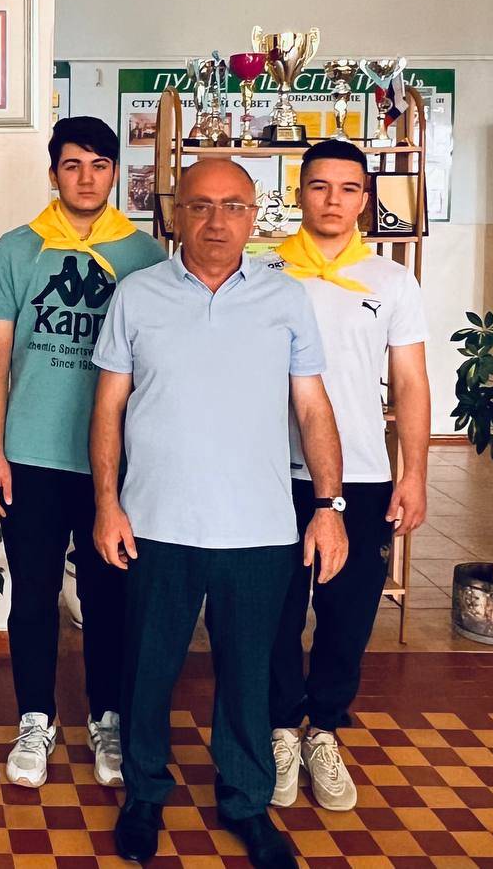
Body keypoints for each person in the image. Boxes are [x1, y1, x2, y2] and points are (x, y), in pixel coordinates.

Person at [90, 158, 346, 869]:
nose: (216, 221)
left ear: (253, 215)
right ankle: (145, 793)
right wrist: (107, 503)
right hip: (155, 522)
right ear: (176, 212)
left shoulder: (285, 298)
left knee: (249, 676)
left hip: (259, 527)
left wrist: (328, 506)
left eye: (233, 206)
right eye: (200, 205)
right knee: (147, 670)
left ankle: (245, 801)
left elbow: (312, 407)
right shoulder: (137, 295)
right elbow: (108, 407)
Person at [0, 116, 164, 790]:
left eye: (99, 165)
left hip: (116, 464)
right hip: (31, 455)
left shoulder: (145, 256)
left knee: (111, 596)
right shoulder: (17, 249)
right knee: (33, 595)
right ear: (53, 173)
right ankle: (35, 717)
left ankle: (106, 717)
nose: (86, 178)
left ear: (115, 173)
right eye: (73, 165)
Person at [265, 139, 430, 812]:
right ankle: (280, 728)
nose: (333, 200)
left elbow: (411, 382)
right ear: (298, 193)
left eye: (349, 188)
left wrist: (413, 473)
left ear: (366, 199)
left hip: (361, 474)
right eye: (320, 186)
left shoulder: (392, 282)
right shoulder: (264, 270)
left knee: (348, 611)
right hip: (270, 471)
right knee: (275, 610)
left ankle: (325, 730)